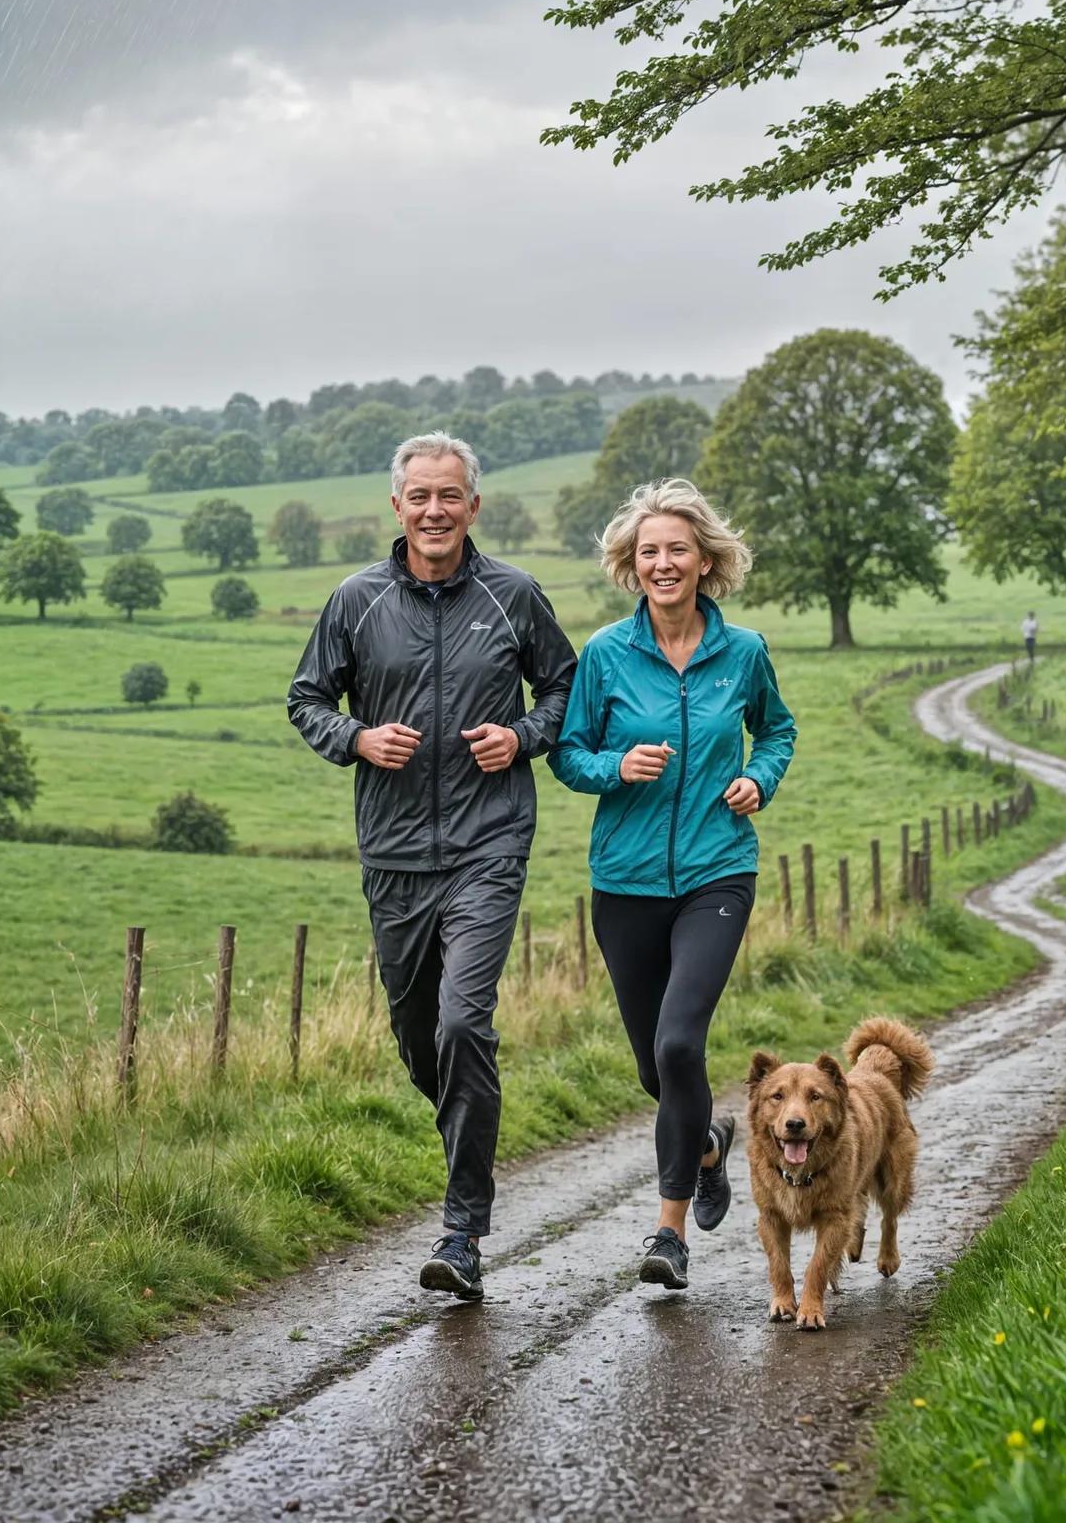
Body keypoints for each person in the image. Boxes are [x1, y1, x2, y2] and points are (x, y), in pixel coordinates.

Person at [286, 431, 576, 1303]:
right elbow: (306, 698)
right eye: (421, 496)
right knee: (418, 1035)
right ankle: (471, 1117)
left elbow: (565, 689)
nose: (436, 510)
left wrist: (522, 735)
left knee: (460, 1025)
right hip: (395, 850)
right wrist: (356, 737)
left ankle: (463, 1230)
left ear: (474, 506)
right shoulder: (357, 601)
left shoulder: (514, 596)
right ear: (397, 505)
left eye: (451, 496)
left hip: (491, 843)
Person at [550, 478, 796, 1290]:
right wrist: (615, 767)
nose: (663, 563)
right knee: (657, 1071)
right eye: (648, 551)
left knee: (680, 1042)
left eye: (677, 550)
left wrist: (759, 778)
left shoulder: (744, 652)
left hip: (717, 870)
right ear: (631, 564)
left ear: (705, 561)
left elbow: (779, 729)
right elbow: (568, 753)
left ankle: (668, 1234)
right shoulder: (607, 656)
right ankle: (708, 1142)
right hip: (623, 883)